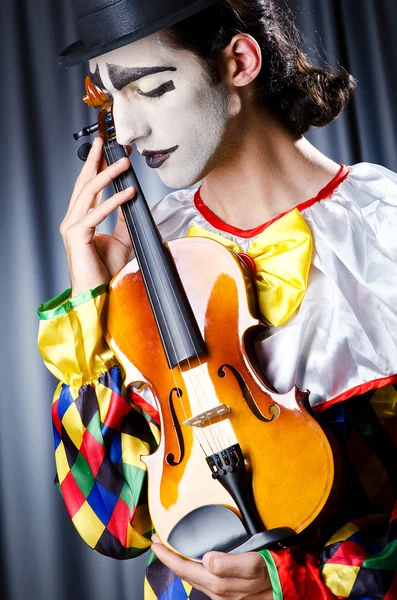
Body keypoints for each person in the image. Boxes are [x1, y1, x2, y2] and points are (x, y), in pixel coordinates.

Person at [38, 0, 397, 598]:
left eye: (149, 89)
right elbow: (112, 524)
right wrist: (92, 306)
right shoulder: (145, 252)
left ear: (239, 61)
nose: (126, 133)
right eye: (110, 99)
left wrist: (299, 583)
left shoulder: (384, 227)